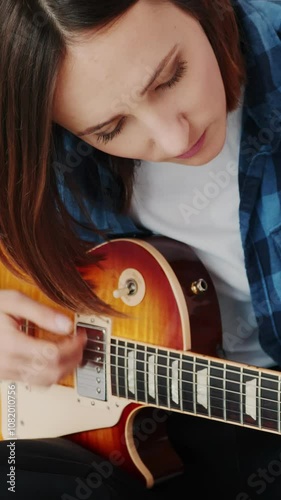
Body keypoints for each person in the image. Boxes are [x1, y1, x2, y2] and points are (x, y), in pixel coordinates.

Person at [0, 0, 281, 498]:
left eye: (171, 76)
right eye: (109, 130)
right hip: (154, 435)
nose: (174, 139)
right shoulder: (44, 143)